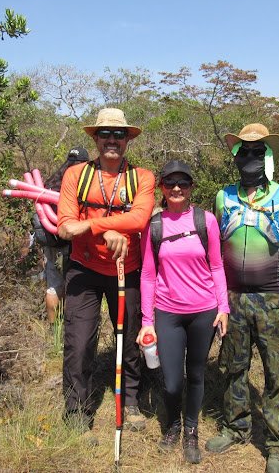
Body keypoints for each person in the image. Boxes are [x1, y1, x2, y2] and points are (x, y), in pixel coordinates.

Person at [205, 123, 279, 473]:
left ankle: (277, 443)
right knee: (232, 367)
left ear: (267, 156)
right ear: (236, 156)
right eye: (244, 151)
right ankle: (235, 427)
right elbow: (212, 254)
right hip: (232, 299)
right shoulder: (222, 197)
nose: (250, 158)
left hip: (273, 299)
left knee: (278, 372)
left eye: (258, 152)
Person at [56, 108, 155, 436]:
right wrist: (108, 231)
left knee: (127, 338)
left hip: (127, 270)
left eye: (119, 134)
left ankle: (130, 400)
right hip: (84, 269)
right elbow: (66, 227)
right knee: (79, 341)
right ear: (95, 138)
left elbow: (139, 220)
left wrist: (94, 225)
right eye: (106, 134)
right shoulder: (76, 176)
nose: (112, 140)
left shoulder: (142, 177)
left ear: (128, 139)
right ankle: (76, 409)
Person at [136, 160, 229, 464]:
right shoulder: (154, 226)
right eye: (170, 183)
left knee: (198, 374)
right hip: (168, 312)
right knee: (172, 379)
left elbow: (217, 265)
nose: (177, 188)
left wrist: (223, 307)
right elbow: (148, 275)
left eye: (183, 183)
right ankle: (173, 424)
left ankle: (191, 430)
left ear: (191, 188)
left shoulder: (206, 221)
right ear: (161, 187)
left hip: (204, 310)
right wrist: (147, 320)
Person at [33, 146, 90, 323]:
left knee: (53, 287)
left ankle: (53, 330)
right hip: (71, 243)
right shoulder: (80, 182)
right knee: (73, 287)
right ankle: (69, 327)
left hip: (50, 242)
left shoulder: (51, 183)